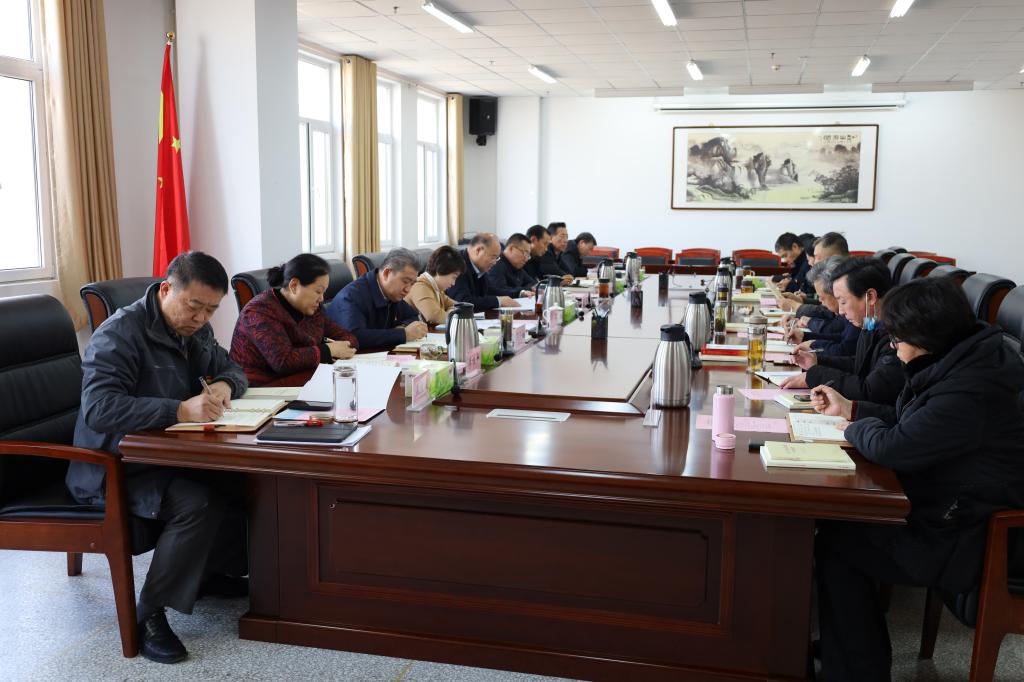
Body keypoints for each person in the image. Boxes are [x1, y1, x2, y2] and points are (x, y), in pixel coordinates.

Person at [808, 276, 1024, 681]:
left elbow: (894, 446)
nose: (893, 347)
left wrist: (854, 428)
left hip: (970, 536)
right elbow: (912, 421)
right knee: (841, 529)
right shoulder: (964, 360)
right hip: (952, 510)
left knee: (840, 543)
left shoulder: (969, 391)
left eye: (897, 339)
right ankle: (848, 650)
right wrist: (852, 409)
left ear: (924, 336)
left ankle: (858, 670)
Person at [67, 251, 249, 664]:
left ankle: (206, 574)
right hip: (112, 468)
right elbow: (100, 409)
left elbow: (233, 369)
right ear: (167, 289)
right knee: (197, 501)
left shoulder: (194, 329)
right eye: (194, 306)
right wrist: (179, 410)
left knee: (245, 480)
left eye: (211, 310)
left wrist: (224, 385)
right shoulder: (119, 335)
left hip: (163, 457)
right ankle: (149, 614)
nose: (201, 318)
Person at [780, 257, 903, 405]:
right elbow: (860, 364)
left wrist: (816, 376)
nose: (841, 311)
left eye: (843, 301)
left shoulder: (898, 335)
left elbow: (871, 391)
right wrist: (817, 360)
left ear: (870, 297)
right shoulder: (871, 322)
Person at [230, 254, 358, 386]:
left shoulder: (312, 309)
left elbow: (348, 337)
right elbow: (283, 362)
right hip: (259, 389)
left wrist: (342, 348)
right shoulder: (259, 311)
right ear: (294, 285)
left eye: (324, 292)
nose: (322, 299)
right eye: (318, 291)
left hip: (299, 379)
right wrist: (329, 350)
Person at [326, 248, 428, 348]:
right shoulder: (351, 296)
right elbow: (354, 336)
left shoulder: (392, 293)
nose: (408, 289)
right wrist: (403, 334)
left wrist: (403, 327)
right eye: (405, 282)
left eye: (412, 284)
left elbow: (413, 316)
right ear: (386, 273)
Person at [786, 256, 860, 357]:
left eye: (822, 297)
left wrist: (812, 344)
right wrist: (804, 337)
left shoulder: (856, 312)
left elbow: (845, 350)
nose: (820, 302)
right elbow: (841, 338)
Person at [445, 232, 518, 312]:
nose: (495, 262)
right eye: (493, 257)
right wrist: (498, 301)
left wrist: (518, 293)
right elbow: (462, 303)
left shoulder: (479, 267)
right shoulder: (456, 264)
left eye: (497, 258)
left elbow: (491, 291)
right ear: (478, 250)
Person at [405, 245, 464, 325]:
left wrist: (451, 311)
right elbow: (434, 317)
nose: (453, 283)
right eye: (454, 277)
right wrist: (452, 312)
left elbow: (460, 306)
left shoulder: (436, 288)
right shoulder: (420, 286)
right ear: (440, 270)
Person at [485, 233, 537, 298]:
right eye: (525, 253)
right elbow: (500, 291)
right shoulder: (496, 264)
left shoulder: (517, 266)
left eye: (528, 255)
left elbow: (533, 284)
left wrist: (521, 290)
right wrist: (522, 291)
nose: (526, 259)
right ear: (511, 248)